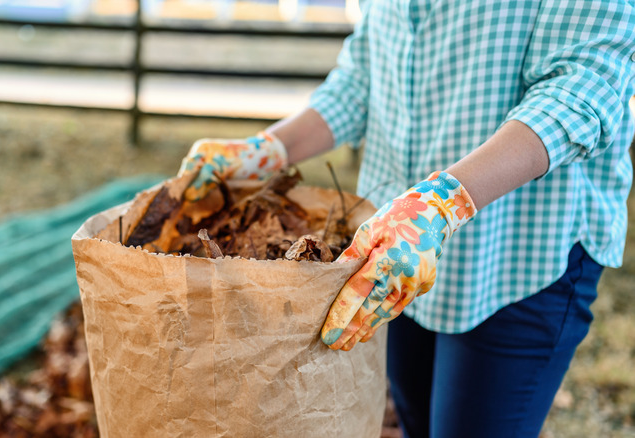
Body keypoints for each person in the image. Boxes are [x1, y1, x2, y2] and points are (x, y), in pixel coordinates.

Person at [177, 1, 635, 437]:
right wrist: (268, 150)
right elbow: (361, 81)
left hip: (517, 253)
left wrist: (445, 202)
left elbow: (582, 88)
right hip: (394, 251)